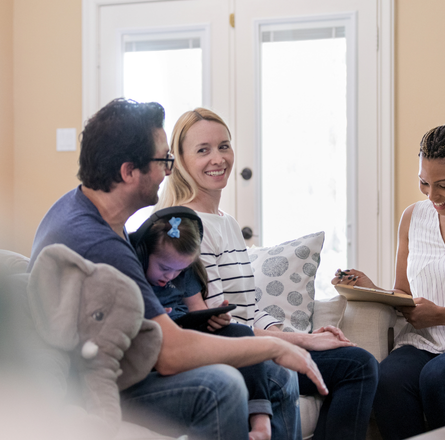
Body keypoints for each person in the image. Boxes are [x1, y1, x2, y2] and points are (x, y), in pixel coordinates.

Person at [28, 98, 329, 440]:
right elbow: (170, 354)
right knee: (221, 386)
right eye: (163, 160)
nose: (169, 171)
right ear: (128, 171)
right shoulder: (99, 244)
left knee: (276, 375)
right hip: (98, 383)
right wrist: (275, 346)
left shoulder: (84, 209)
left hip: (119, 362)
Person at [156, 107, 379, 440]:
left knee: (359, 362)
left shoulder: (227, 222)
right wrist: (303, 340)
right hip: (229, 353)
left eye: (224, 146)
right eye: (203, 150)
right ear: (182, 161)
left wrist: (284, 330)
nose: (218, 158)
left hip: (250, 341)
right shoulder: (188, 229)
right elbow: (222, 326)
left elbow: (246, 303)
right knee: (354, 366)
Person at [332, 124, 445, 439]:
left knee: (440, 376)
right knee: (386, 379)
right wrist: (371, 288)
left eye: (444, 185)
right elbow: (404, 293)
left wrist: (444, 315)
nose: (432, 196)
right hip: (425, 340)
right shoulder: (413, 218)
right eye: (424, 183)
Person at [130, 206, 277, 440]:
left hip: (186, 332)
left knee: (240, 333)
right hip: (156, 341)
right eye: (165, 268)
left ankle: (260, 420)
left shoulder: (180, 272)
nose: (170, 277)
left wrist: (212, 319)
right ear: (144, 252)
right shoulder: (132, 269)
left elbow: (196, 309)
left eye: (180, 270)